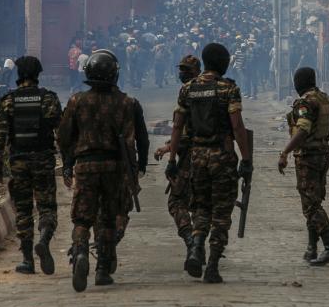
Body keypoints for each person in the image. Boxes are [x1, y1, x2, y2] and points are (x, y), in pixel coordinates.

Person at [166, 43, 253, 284]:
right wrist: (246, 160)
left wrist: (172, 159)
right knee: (221, 212)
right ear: (223, 63)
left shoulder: (188, 89)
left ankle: (195, 248)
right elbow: (237, 126)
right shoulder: (228, 88)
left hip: (196, 158)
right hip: (222, 158)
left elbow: (177, 126)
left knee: (201, 208)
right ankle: (212, 265)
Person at [58, 50, 144, 292]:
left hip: (85, 166)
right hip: (115, 168)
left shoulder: (77, 101)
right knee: (107, 218)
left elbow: (64, 137)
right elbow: (131, 142)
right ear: (115, 74)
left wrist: (67, 163)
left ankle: (81, 251)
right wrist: (134, 172)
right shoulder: (126, 102)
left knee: (82, 217)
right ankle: (103, 270)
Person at [0, 56, 62, 276]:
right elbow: (62, 133)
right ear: (38, 74)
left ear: (18, 74)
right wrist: (68, 163)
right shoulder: (49, 99)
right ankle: (45, 238)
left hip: (19, 162)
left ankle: (27, 260)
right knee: (47, 206)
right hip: (43, 160)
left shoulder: (9, 101)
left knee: (23, 209)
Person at [278, 67, 329, 266]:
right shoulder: (324, 99)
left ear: (299, 82)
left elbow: (303, 129)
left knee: (311, 204)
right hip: (323, 153)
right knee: (312, 201)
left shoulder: (305, 102)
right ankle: (311, 248)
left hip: (308, 156)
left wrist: (285, 152)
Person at [154, 55, 201, 265]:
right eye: (181, 69)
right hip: (213, 158)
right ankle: (199, 244)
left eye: (186, 70)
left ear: (195, 72)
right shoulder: (218, 92)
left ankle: (192, 241)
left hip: (190, 160)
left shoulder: (187, 94)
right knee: (202, 206)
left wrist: (170, 154)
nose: (182, 73)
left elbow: (180, 132)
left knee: (176, 202)